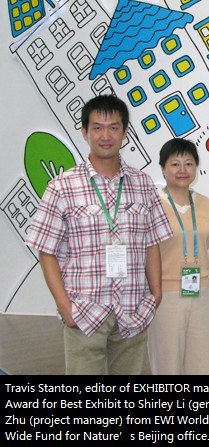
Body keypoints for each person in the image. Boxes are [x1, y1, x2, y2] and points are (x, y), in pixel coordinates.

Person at [25, 95, 172, 375]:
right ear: (85, 132)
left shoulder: (143, 184)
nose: (106, 136)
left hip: (133, 308)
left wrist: (155, 294)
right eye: (97, 127)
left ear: (125, 132)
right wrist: (64, 305)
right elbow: (46, 251)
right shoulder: (62, 186)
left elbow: (151, 243)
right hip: (85, 310)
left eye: (114, 127)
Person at [147, 138, 209, 375]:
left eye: (188, 163)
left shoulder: (206, 204)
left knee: (201, 364)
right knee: (167, 365)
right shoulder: (151, 204)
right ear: (163, 168)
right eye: (175, 164)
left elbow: (206, 243)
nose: (182, 170)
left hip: (201, 292)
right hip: (165, 295)